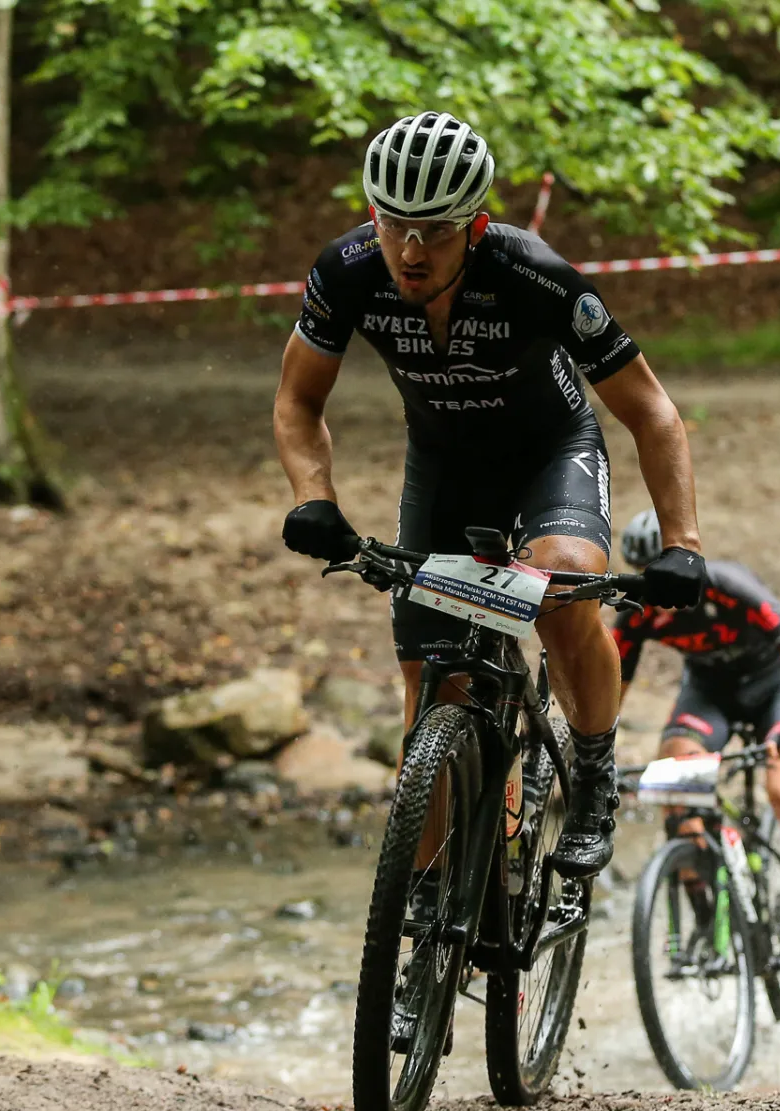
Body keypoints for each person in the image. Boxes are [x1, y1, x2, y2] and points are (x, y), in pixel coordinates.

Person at [272, 112, 707, 879]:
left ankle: (594, 769)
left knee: (563, 584)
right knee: (430, 686)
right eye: (394, 224)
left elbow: (653, 413)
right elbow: (297, 402)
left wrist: (682, 545)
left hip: (551, 451)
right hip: (443, 464)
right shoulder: (344, 272)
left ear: (473, 227)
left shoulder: (535, 275)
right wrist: (315, 498)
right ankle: (430, 921)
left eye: (434, 231)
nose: (409, 250)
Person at [612, 511, 780, 972]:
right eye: (644, 577)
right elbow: (612, 685)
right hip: (709, 692)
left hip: (773, 685)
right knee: (675, 785)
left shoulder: (729, 584)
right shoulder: (640, 608)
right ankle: (703, 916)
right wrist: (588, 749)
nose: (658, 592)